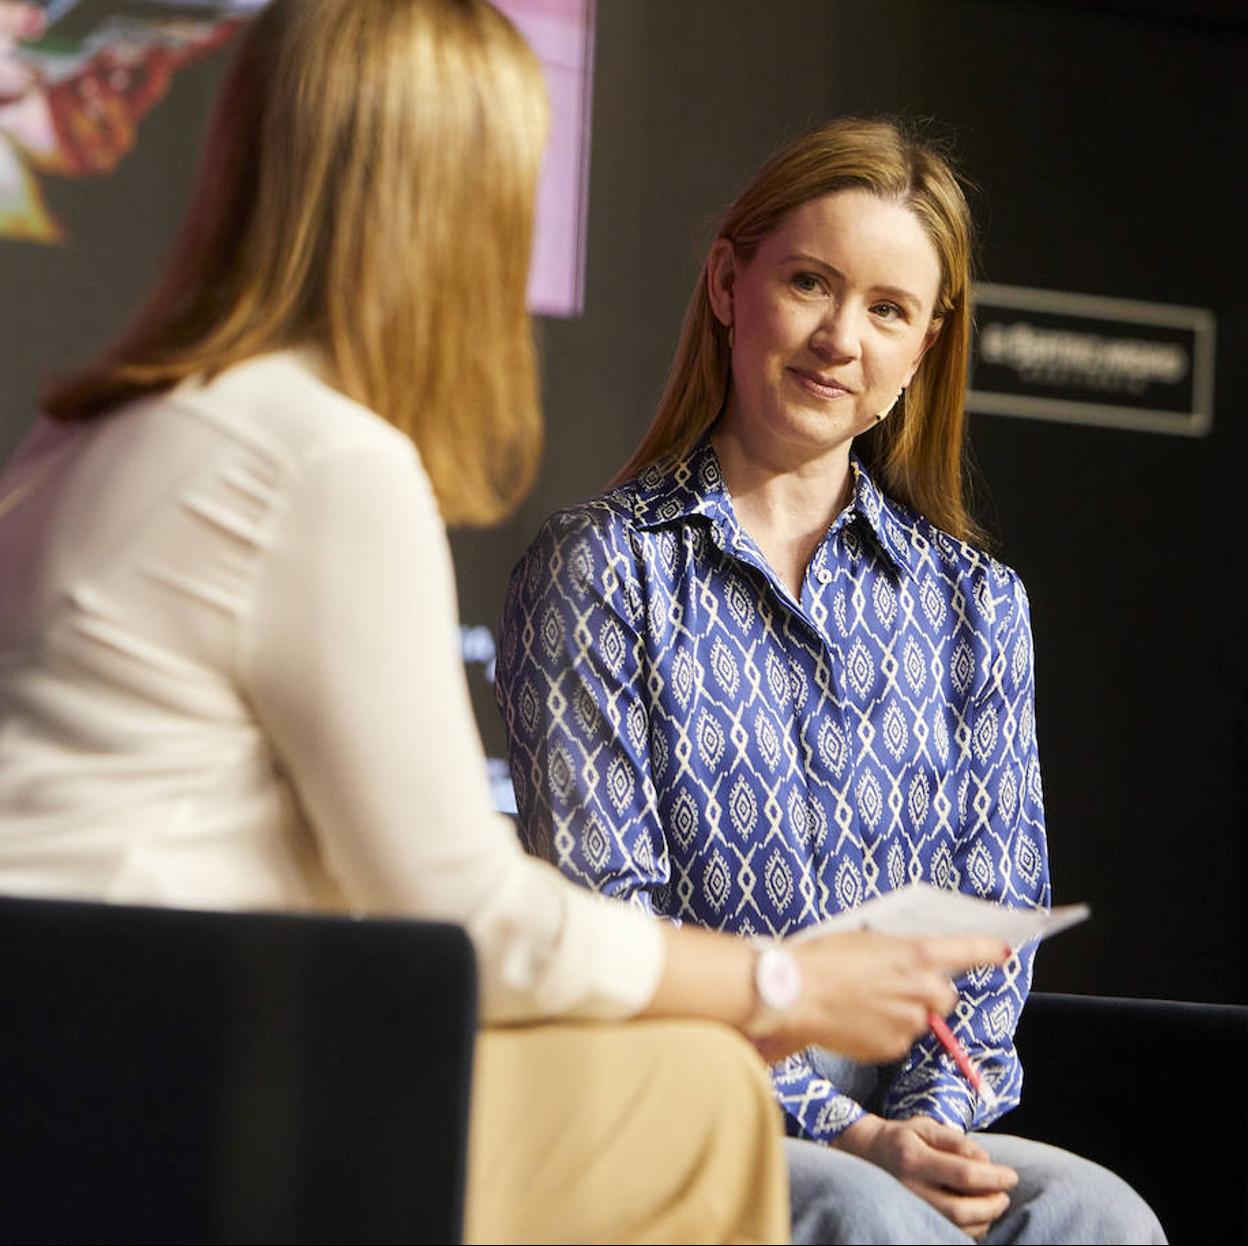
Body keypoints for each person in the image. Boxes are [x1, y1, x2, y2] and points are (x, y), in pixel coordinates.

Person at [0, 8, 1015, 1244]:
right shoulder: (327, 461)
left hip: (94, 1043)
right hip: (155, 1081)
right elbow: (467, 913)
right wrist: (787, 986)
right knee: (700, 1098)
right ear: (444, 203)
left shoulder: (97, 432)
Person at [496, 118, 1167, 1244]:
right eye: (811, 282)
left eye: (889, 309)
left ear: (926, 345)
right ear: (727, 282)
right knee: (871, 1220)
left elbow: (993, 933)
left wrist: (931, 1124)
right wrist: (849, 1138)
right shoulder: (602, 568)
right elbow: (615, 924)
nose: (840, 337)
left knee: (1099, 1216)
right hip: (689, 1107)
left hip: (912, 1116)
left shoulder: (975, 602)